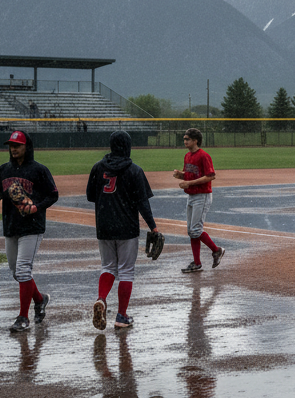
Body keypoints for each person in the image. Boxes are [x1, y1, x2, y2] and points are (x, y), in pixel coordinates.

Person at [86, 130, 160, 330]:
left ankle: (101, 299)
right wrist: (152, 226)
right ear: (128, 146)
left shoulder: (97, 168)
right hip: (127, 226)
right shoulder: (134, 170)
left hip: (104, 225)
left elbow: (91, 196)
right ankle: (121, 316)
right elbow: (142, 203)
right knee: (126, 271)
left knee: (108, 267)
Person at [0, 130, 59, 332]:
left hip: (32, 227)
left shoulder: (39, 170)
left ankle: (22, 318)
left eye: (17, 145)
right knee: (16, 272)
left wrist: (37, 206)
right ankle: (40, 299)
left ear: (26, 146)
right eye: (11, 145)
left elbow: (53, 195)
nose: (13, 149)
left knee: (23, 269)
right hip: (11, 226)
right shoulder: (3, 170)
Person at [172, 127, 224, 272]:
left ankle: (216, 250)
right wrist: (180, 175)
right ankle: (197, 263)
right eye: (184, 139)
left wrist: (189, 183)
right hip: (192, 195)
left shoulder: (203, 156)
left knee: (195, 229)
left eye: (187, 139)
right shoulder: (187, 156)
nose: (185, 141)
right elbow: (190, 175)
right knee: (191, 231)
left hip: (202, 195)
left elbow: (211, 175)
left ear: (195, 141)